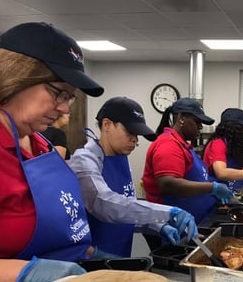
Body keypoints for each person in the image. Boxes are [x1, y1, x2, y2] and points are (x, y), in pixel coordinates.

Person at [0, 22, 109, 282]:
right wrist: (26, 273)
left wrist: (88, 254)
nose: (64, 109)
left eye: (68, 97)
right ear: (14, 76)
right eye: (58, 92)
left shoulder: (40, 143)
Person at [69, 96, 198, 257]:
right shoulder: (84, 161)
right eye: (130, 132)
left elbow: (128, 206)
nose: (135, 141)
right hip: (94, 258)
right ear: (107, 125)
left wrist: (157, 226)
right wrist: (168, 212)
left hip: (120, 253)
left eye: (137, 135)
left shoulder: (121, 158)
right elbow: (105, 204)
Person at [142, 98, 233, 250]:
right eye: (197, 122)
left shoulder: (183, 145)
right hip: (175, 226)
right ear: (181, 118)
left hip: (194, 223)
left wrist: (214, 186)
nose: (200, 127)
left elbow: (196, 177)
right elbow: (168, 183)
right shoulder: (169, 145)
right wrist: (212, 188)